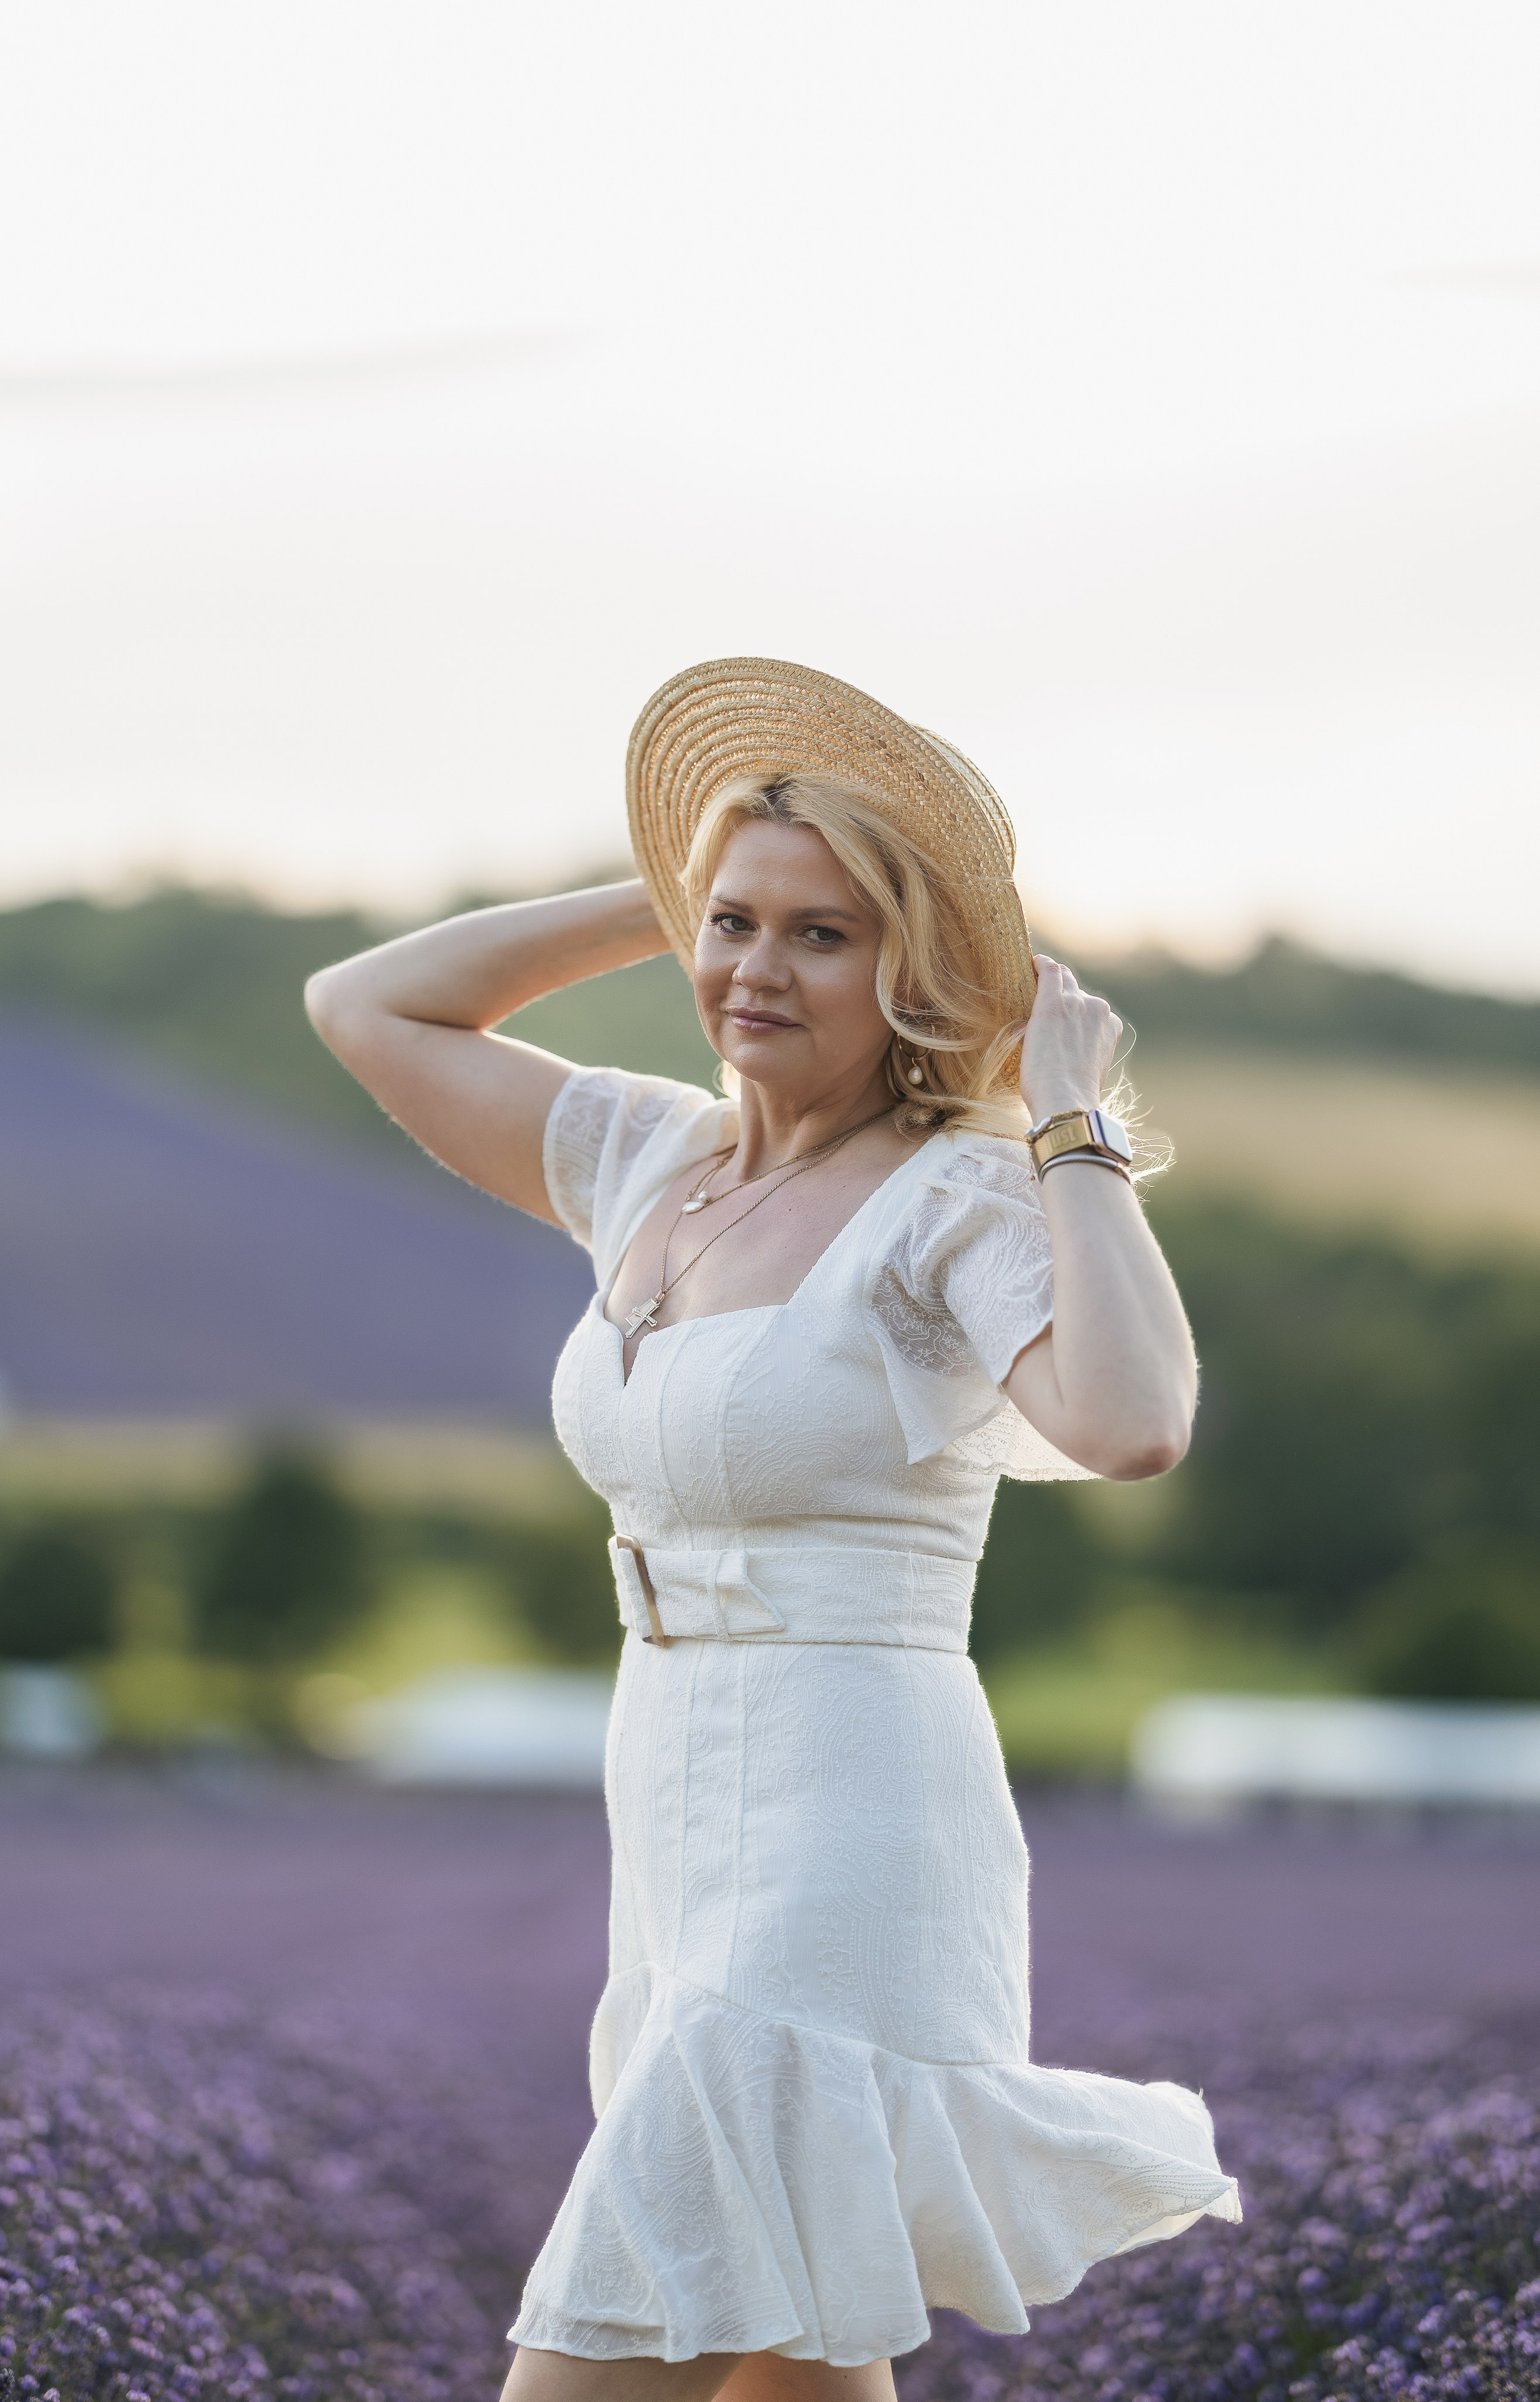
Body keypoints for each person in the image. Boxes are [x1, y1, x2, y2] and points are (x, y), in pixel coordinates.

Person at [306, 658, 1240, 2402]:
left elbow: (1131, 1422)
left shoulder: (959, 1194)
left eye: (823, 935)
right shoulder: (643, 1161)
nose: (753, 968)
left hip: (854, 1818)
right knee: (794, 2353)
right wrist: (673, 877)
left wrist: (1075, 1127)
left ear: (911, 975)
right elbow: (371, 1005)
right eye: (732, 923)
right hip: (671, 1797)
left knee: (624, 2333)